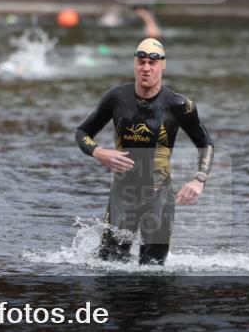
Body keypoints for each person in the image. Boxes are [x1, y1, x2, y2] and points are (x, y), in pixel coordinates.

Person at [75, 38, 214, 266]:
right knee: (108, 267)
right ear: (134, 64)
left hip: (159, 197)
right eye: (141, 62)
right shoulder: (117, 98)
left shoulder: (179, 105)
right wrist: (99, 152)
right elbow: (82, 132)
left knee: (153, 273)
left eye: (152, 62)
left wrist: (199, 179)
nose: (146, 68)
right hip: (122, 196)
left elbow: (206, 143)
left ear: (163, 66)